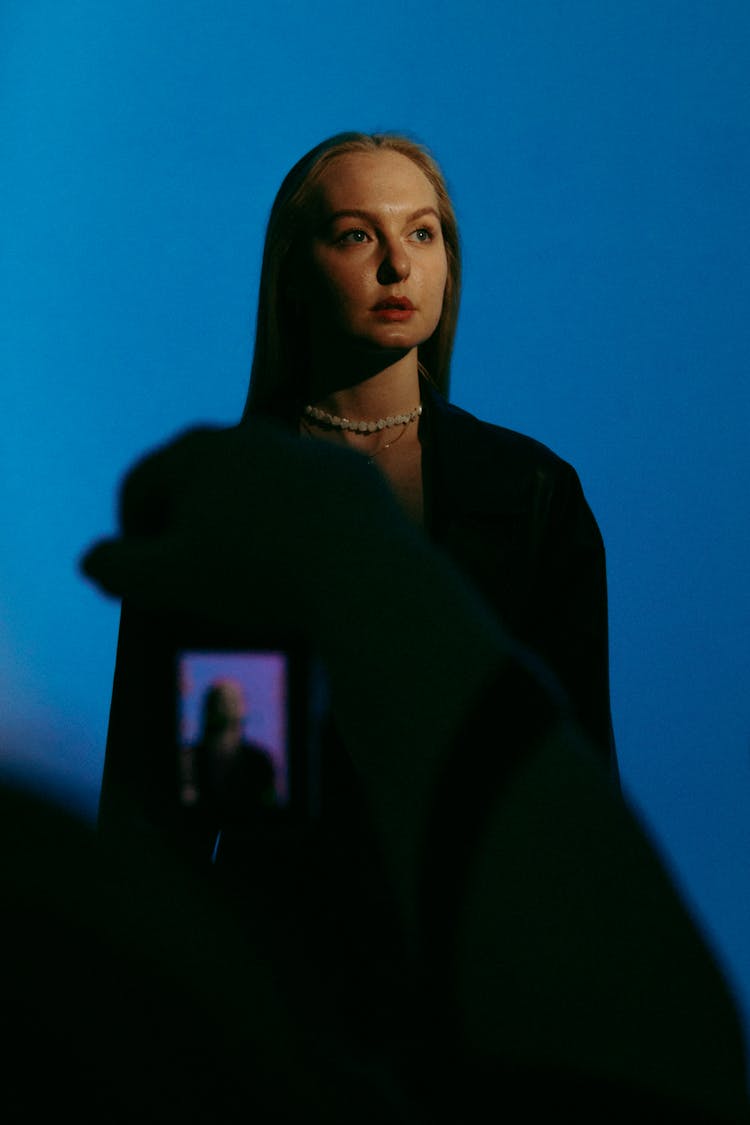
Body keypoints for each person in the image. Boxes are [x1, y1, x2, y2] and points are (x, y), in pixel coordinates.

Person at [82, 420, 749, 1122]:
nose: (396, 298)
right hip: (282, 997)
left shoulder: (530, 488)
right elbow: (182, 804)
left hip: (481, 987)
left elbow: (580, 769)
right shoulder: (235, 498)